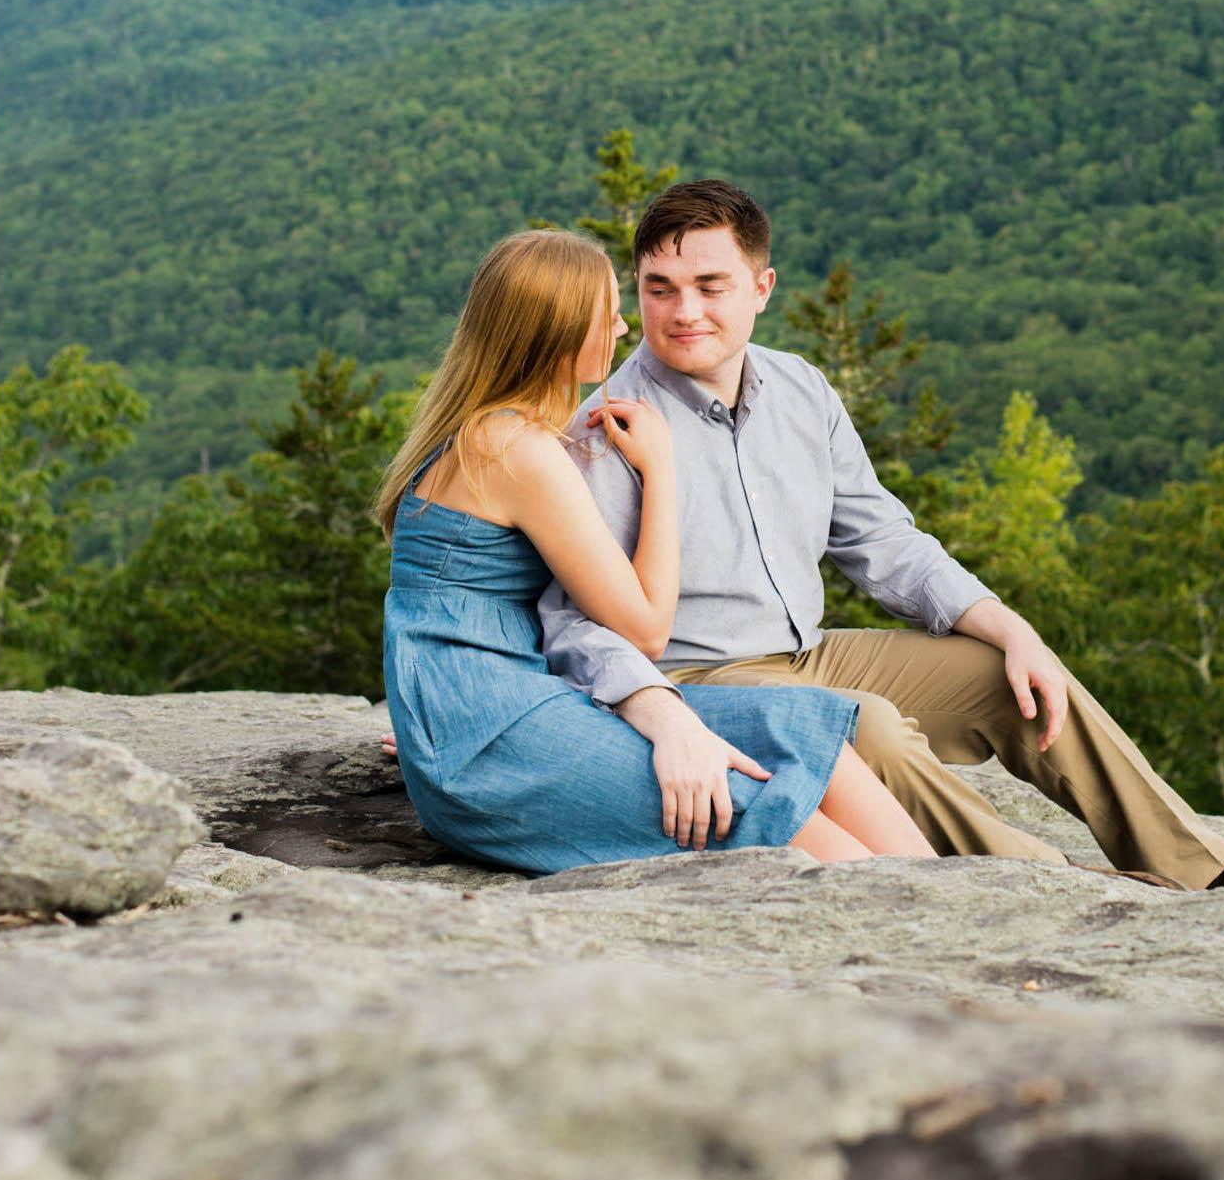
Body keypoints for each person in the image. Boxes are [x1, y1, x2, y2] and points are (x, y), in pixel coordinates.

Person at [536, 180, 1224, 892]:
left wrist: (1012, 627)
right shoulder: (607, 431)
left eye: (709, 285)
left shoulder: (802, 389)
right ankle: (1054, 883)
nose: (682, 311)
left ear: (762, 288)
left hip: (811, 653)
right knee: (875, 728)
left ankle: (1199, 867)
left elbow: (882, 540)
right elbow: (571, 623)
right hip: (707, 679)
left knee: (1012, 674)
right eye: (659, 288)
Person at [373, 227, 942, 874]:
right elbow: (644, 628)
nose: (621, 328)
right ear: (558, 331)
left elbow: (454, 625)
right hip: (494, 739)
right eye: (605, 313)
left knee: (803, 728)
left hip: (503, 706)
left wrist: (438, 710)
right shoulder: (519, 451)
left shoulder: (487, 433)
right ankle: (916, 914)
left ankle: (945, 896)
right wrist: (662, 468)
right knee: (759, 809)